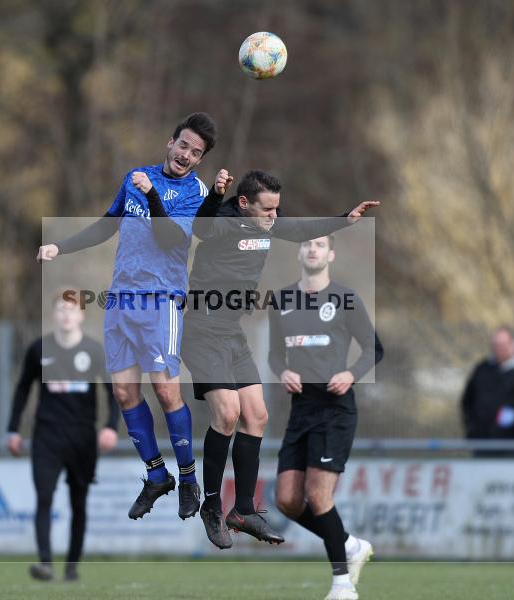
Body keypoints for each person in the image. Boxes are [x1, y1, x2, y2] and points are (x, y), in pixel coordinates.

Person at [182, 169, 379, 549]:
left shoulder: (268, 224)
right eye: (268, 209)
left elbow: (301, 229)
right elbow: (201, 229)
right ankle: (211, 506)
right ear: (244, 204)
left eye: (277, 209)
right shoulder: (223, 221)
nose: (275, 216)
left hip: (232, 332)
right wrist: (214, 196)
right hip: (203, 330)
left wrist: (345, 219)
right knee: (228, 414)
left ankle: (242, 510)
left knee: (257, 415)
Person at [36, 113, 218, 520]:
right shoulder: (136, 177)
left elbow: (169, 238)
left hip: (161, 301)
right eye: (183, 145)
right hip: (121, 300)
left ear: (200, 160)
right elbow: (107, 226)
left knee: (166, 391)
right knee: (123, 394)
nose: (187, 155)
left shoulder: (196, 193)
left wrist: (153, 196)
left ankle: (188, 478)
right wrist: (59, 247)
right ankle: (157, 475)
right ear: (170, 143)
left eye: (196, 153)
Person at [269, 235, 382, 600]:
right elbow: (274, 355)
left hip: (335, 410)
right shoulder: (281, 300)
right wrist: (282, 371)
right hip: (301, 410)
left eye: (319, 245)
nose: (312, 249)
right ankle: (349, 544)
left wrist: (351, 373)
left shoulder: (345, 299)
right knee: (287, 499)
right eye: (306, 244)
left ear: (330, 254)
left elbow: (374, 348)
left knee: (318, 495)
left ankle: (342, 585)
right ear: (299, 252)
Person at [6, 294, 119, 582]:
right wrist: (13, 429)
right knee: (44, 496)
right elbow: (22, 389)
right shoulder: (38, 350)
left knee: (78, 502)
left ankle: (71, 567)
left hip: (82, 437)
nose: (66, 315)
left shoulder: (94, 351)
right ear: (54, 315)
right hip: (47, 436)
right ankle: (45, 564)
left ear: (81, 315)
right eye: (61, 309)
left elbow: (113, 392)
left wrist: (110, 427)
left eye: (72, 310)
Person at [460, 326, 514, 457]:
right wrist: (472, 430)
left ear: (513, 344)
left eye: (502, 345)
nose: (498, 349)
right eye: (495, 345)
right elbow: (467, 401)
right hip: (483, 444)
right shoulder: (482, 369)